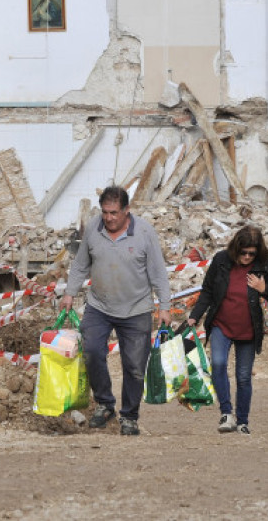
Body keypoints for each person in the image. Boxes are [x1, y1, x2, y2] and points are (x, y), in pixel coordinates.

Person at [60, 186, 171, 436]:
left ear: (126, 211)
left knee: (134, 365)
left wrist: (165, 306)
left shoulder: (144, 233)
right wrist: (69, 292)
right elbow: (80, 266)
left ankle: (129, 416)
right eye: (105, 212)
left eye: (114, 213)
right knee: (91, 352)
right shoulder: (93, 229)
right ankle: (104, 403)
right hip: (99, 306)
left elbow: (158, 272)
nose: (108, 218)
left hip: (137, 309)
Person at [187, 225, 268, 436]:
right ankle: (226, 413)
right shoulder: (221, 260)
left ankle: (242, 421)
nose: (248, 257)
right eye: (244, 252)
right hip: (221, 324)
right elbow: (207, 291)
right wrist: (195, 315)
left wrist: (263, 288)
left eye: (252, 253)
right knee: (219, 364)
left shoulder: (266, 265)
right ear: (235, 249)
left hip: (249, 330)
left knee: (243, 376)